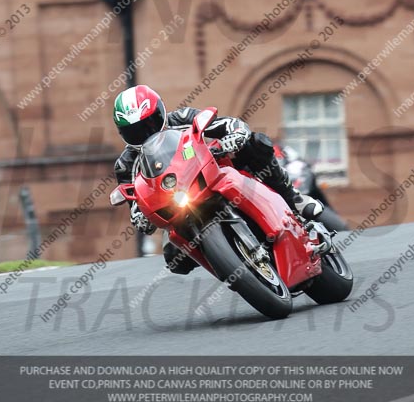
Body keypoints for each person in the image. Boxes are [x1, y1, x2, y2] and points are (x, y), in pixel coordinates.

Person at [113, 85, 323, 274]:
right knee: (174, 259)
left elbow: (225, 124)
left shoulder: (182, 118)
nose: (146, 134)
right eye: (136, 132)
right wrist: (140, 217)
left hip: (211, 173)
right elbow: (134, 201)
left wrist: (235, 135)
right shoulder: (126, 164)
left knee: (256, 144)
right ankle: (228, 261)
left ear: (161, 112)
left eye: (149, 124)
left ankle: (293, 198)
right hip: (177, 202)